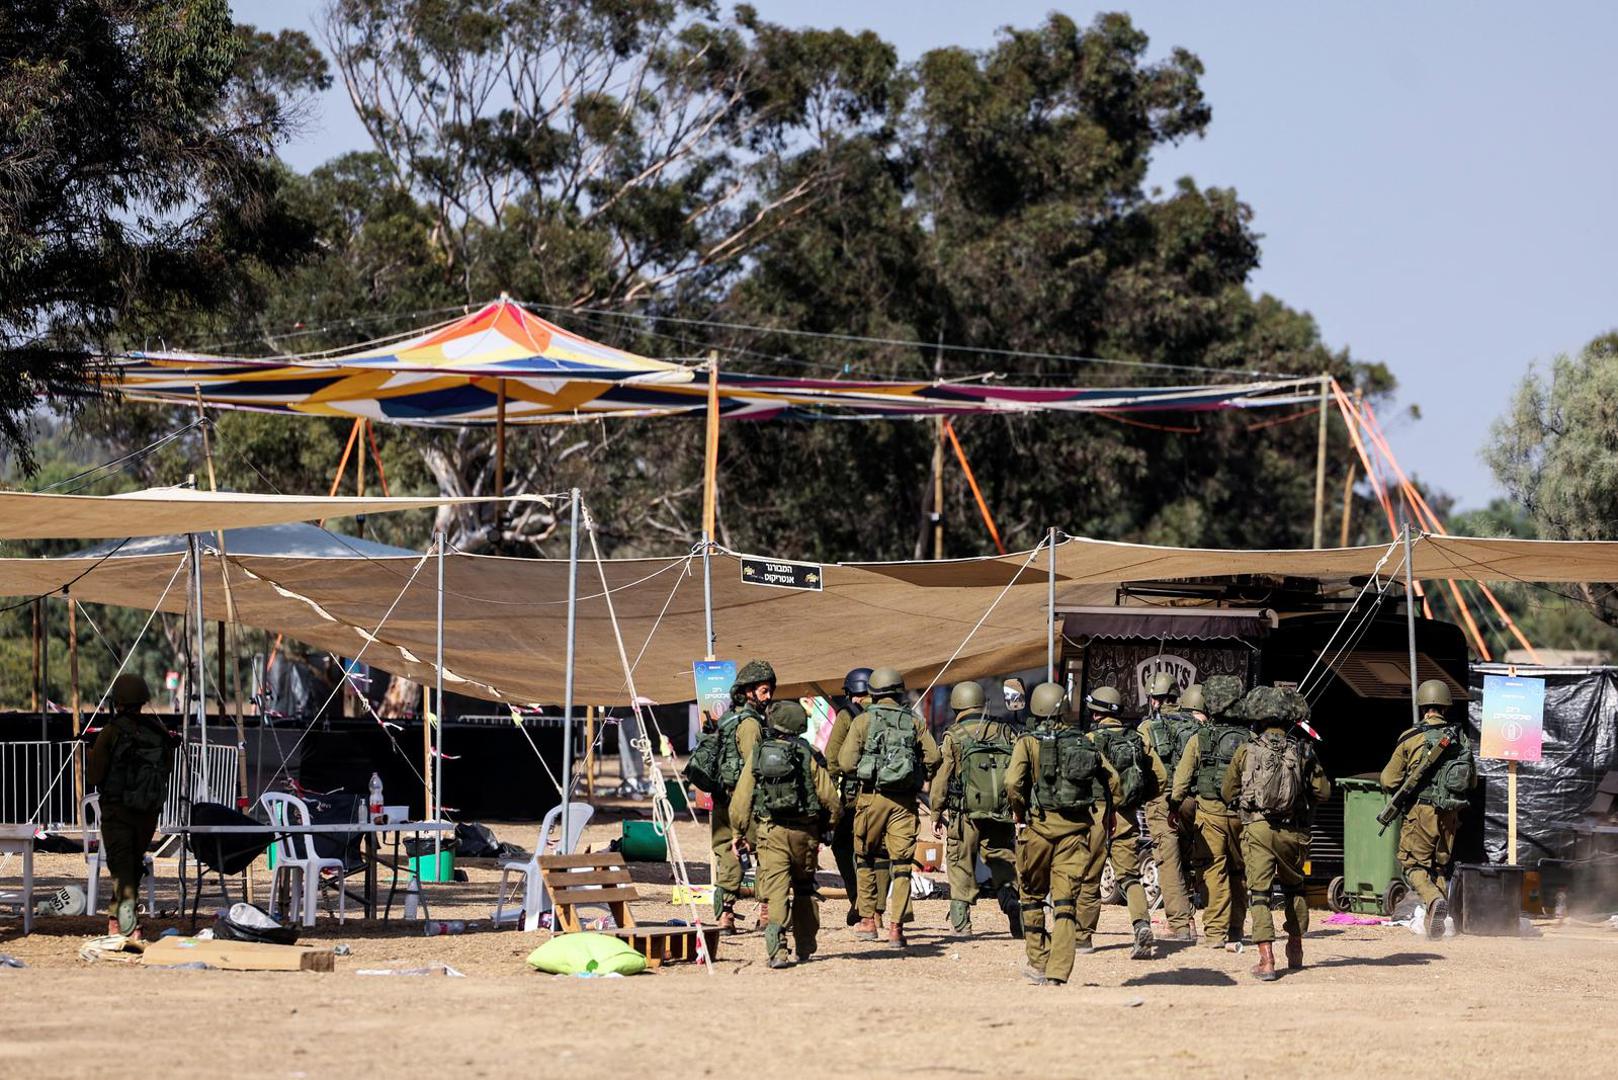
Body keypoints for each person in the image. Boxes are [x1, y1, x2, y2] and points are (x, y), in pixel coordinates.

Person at [1006, 682, 1124, 985]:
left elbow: (1012, 783)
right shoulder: (1084, 741)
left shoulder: (1028, 741)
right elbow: (1114, 782)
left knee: (1031, 895)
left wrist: (1019, 810)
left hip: (1038, 830)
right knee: (1065, 901)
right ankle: (1059, 971)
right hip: (1076, 833)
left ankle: (1038, 961)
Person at [1222, 686, 1331, 981]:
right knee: (1295, 889)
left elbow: (1227, 790)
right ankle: (1295, 950)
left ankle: (1267, 960)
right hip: (1293, 833)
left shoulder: (1247, 749)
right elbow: (1323, 792)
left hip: (1258, 829)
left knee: (1259, 893)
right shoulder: (1302, 751)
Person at [730, 699, 840, 968]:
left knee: (776, 891)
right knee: (804, 889)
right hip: (806, 834)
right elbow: (830, 799)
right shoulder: (809, 754)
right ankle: (804, 945)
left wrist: (738, 833)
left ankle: (777, 951)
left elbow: (741, 799)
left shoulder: (758, 754)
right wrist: (827, 827)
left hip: (771, 832)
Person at [837, 666, 941, 948]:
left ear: (873, 691)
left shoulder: (863, 721)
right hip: (905, 802)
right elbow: (933, 757)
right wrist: (917, 775)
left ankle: (869, 921)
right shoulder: (914, 721)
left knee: (865, 858)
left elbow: (845, 762)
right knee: (902, 865)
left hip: (872, 798)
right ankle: (896, 928)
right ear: (898, 690)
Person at [1379, 679, 1476, 937]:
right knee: (1439, 867)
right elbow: (1472, 780)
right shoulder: (1461, 740)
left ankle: (1433, 900)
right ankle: (1439, 925)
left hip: (1420, 811)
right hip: (1451, 812)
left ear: (1423, 705)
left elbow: (1388, 780)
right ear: (1446, 706)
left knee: (1412, 865)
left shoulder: (1411, 738)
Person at [86, 674, 176, 939]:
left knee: (121, 864)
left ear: (119, 701)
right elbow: (166, 769)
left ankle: (127, 924)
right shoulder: (158, 732)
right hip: (148, 811)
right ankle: (118, 918)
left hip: (117, 810)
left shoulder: (112, 732)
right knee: (132, 865)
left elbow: (94, 776)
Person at [928, 679, 1019, 937]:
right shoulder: (1005, 731)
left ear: (957, 704)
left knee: (959, 863)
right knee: (1002, 858)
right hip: (1000, 811)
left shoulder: (953, 736)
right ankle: (1013, 904)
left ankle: (962, 922)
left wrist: (936, 812)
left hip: (964, 813)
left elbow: (942, 778)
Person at [1076, 685, 1156, 959]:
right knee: (1130, 875)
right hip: (1126, 814)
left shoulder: (1087, 739)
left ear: (1096, 712)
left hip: (1096, 813)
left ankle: (1083, 937)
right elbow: (1160, 778)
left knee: (1090, 874)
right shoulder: (1137, 740)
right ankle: (1141, 924)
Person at [1171, 677, 1249, 950]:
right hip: (1242, 816)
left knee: (1212, 870)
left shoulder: (1200, 738)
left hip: (1210, 814)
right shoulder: (1251, 739)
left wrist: (1175, 806)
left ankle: (1215, 934)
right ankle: (1237, 929)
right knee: (1239, 873)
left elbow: (1181, 781)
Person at [709, 659, 773, 932]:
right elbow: (753, 764)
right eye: (763, 691)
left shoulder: (726, 719)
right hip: (745, 800)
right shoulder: (750, 724)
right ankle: (768, 915)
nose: (768, 697)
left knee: (727, 853)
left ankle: (726, 915)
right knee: (766, 854)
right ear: (748, 691)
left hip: (723, 796)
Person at [1135, 671, 1197, 942]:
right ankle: (1191, 917)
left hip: (1162, 800)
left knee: (1168, 861)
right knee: (1187, 859)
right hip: (1193, 800)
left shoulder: (1147, 727)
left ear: (1155, 700)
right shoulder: (1194, 724)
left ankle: (1181, 925)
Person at [824, 667, 880, 927]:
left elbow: (833, 756)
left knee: (844, 845)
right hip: (887, 793)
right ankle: (877, 910)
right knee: (879, 851)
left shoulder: (848, 715)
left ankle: (859, 899)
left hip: (855, 795)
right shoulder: (888, 713)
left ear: (850, 692)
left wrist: (833, 786)